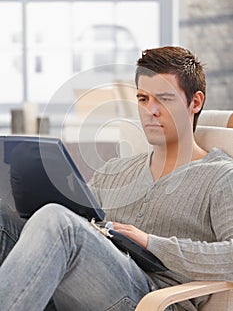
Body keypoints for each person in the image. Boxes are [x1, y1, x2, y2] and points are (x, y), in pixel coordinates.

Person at [1, 46, 233, 311]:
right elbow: (76, 229)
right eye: (143, 99)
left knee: (57, 220)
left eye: (165, 99)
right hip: (84, 288)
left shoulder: (221, 176)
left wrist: (150, 242)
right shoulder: (114, 171)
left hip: (152, 299)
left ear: (196, 102)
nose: (151, 110)